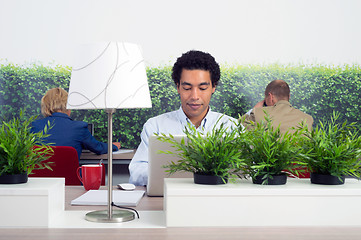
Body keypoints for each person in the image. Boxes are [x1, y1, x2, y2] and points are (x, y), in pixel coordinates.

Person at [129, 50, 237, 186]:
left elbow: (245, 173)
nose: (194, 96)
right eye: (187, 88)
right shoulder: (155, 126)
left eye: (203, 88)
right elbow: (136, 173)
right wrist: (171, 177)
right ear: (178, 87)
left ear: (213, 87)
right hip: (168, 201)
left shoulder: (231, 126)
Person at [31, 87, 120, 159]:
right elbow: (98, 148)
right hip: (71, 181)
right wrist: (113, 146)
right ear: (68, 106)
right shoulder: (79, 128)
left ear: (45, 107)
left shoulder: (34, 127)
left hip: (42, 180)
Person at [242, 79, 313, 133]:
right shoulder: (308, 119)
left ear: (270, 97)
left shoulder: (257, 113)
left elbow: (236, 129)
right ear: (289, 96)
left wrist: (253, 110)